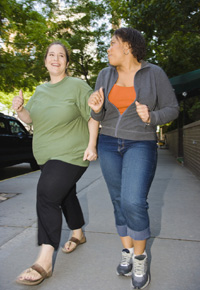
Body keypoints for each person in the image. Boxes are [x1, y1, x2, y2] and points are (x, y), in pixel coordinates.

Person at [88, 27, 179, 289]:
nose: (108, 48)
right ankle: (127, 251)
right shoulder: (104, 75)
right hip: (107, 144)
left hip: (140, 143)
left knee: (134, 201)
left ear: (127, 47)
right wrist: (95, 110)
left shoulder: (154, 73)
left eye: (112, 44)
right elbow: (98, 116)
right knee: (118, 201)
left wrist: (152, 117)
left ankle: (140, 256)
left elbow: (172, 107)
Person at [12, 41, 99, 286]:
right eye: (51, 54)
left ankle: (45, 258)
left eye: (61, 55)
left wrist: (92, 145)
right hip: (46, 157)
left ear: (67, 62)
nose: (56, 59)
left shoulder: (77, 86)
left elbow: (93, 115)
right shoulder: (40, 90)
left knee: (47, 195)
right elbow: (32, 119)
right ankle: (78, 233)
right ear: (45, 60)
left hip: (72, 154)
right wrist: (20, 110)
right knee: (65, 194)